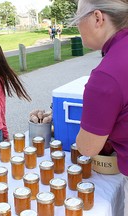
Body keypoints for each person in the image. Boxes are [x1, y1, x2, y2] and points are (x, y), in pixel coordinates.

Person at [72, 0, 128, 215]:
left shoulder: (105, 75)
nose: (77, 26)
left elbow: (87, 148)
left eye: (78, 19)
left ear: (97, 17)